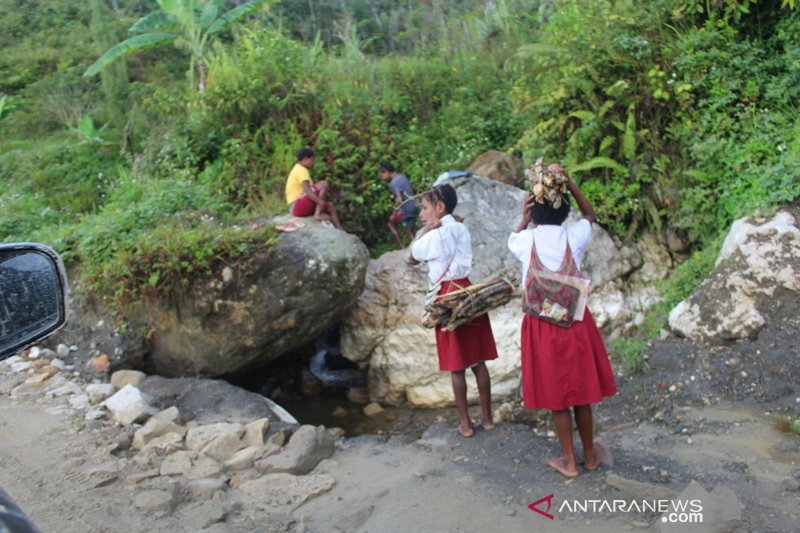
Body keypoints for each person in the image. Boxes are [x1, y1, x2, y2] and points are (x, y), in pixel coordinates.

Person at [508, 162, 617, 478]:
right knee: (581, 394)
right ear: (563, 210)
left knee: (558, 399)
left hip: (543, 328)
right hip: (576, 323)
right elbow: (590, 215)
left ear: (534, 212)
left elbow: (514, 237)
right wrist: (570, 184)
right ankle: (590, 456)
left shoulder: (525, 242)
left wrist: (524, 217)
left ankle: (569, 461)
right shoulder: (574, 236)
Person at [408, 184, 498, 438]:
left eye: (425, 208)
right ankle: (488, 419)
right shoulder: (461, 227)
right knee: (478, 361)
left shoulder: (433, 236)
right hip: (469, 291)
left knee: (457, 365)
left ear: (439, 207)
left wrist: (425, 230)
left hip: (446, 297)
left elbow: (411, 256)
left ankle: (466, 425)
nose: (423, 214)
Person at [285, 147, 343, 230]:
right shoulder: (301, 170)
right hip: (296, 205)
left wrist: (323, 203)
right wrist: (320, 202)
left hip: (297, 206)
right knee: (323, 184)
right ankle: (318, 214)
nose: (313, 162)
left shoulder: (298, 168)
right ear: (305, 159)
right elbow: (307, 190)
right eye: (312, 159)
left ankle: (341, 230)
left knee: (330, 206)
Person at [379, 161, 419, 248]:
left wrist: (394, 214)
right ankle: (417, 247)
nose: (382, 178)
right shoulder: (402, 177)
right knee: (410, 229)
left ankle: (402, 247)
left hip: (406, 209)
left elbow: (399, 199)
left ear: (386, 171)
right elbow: (414, 189)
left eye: (381, 175)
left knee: (391, 223)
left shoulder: (394, 182)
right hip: (414, 206)